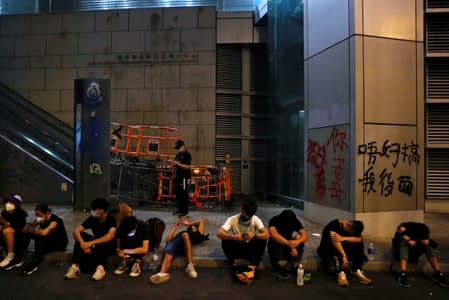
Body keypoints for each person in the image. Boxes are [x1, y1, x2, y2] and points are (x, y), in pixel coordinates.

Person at [217, 198, 269, 284]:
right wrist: (233, 237)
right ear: (241, 210)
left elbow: (267, 234)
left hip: (250, 249)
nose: (247, 217)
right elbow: (219, 233)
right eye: (246, 215)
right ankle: (233, 264)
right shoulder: (233, 219)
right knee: (225, 239)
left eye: (250, 216)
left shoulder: (255, 219)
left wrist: (255, 235)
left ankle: (253, 266)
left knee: (262, 240)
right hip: (237, 247)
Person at [64, 198, 117, 281]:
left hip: (109, 245)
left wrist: (91, 243)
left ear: (102, 210)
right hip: (95, 242)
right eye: (93, 209)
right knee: (81, 236)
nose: (93, 211)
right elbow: (76, 231)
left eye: (95, 209)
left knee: (104, 240)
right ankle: (75, 267)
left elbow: (110, 236)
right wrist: (83, 244)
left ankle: (101, 268)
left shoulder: (111, 219)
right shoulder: (93, 218)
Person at [150, 217, 209, 284]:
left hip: (184, 246)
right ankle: (162, 273)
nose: (195, 227)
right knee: (170, 247)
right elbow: (168, 239)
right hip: (175, 246)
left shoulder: (199, 234)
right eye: (194, 226)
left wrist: (188, 223)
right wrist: (175, 228)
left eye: (196, 226)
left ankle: (190, 266)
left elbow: (201, 221)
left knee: (183, 236)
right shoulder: (183, 232)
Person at [392, 221, 449, 288]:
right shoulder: (404, 230)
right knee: (404, 243)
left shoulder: (421, 230)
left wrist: (419, 242)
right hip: (398, 254)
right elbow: (396, 242)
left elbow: (434, 244)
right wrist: (408, 240)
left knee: (427, 245)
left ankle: (437, 273)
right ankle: (403, 273)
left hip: (413, 254)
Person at [317, 219, 372, 287]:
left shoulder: (351, 225)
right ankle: (340, 272)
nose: (349, 233)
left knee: (359, 243)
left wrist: (343, 238)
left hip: (341, 252)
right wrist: (344, 256)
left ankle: (356, 269)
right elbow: (336, 242)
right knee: (336, 247)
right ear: (347, 225)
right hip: (327, 252)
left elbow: (359, 239)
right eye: (350, 232)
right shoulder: (333, 225)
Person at [21, 203, 68, 275]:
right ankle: (20, 253)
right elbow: (32, 226)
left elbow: (44, 233)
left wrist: (33, 231)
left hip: (59, 243)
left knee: (40, 238)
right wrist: (26, 229)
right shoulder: (41, 218)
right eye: (36, 215)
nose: (38, 217)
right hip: (49, 239)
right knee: (28, 233)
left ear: (47, 213)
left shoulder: (55, 220)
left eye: (39, 215)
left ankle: (36, 261)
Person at [267, 209, 309, 280]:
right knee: (278, 240)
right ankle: (279, 266)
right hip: (275, 247)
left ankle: (295, 265)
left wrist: (297, 242)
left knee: (299, 237)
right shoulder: (275, 220)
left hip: (287, 245)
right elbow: (274, 235)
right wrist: (290, 245)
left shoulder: (294, 220)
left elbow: (305, 235)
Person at [0, 194, 28, 270]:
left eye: (11, 202)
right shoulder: (5, 212)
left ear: (17, 205)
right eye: (8, 201)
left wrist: (1, 219)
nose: (8, 204)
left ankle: (10, 256)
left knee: (7, 230)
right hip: (6, 239)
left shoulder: (20, 215)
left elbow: (6, 225)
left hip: (17, 241)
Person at [169, 139, 191, 217]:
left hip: (184, 177)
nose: (178, 150)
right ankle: (179, 209)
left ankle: (184, 211)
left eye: (179, 148)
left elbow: (187, 167)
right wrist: (172, 163)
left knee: (184, 193)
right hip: (177, 176)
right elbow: (175, 163)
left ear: (183, 146)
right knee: (178, 194)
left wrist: (177, 163)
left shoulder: (187, 155)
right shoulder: (178, 154)